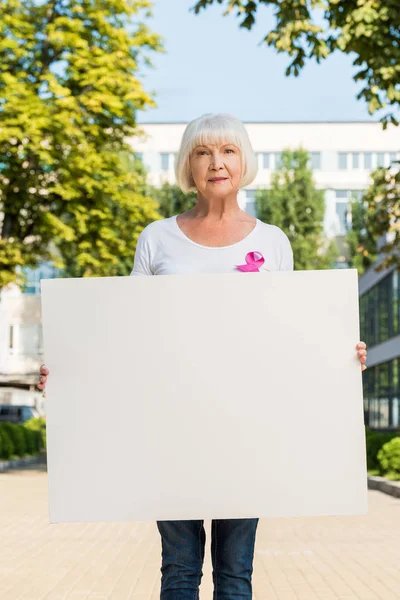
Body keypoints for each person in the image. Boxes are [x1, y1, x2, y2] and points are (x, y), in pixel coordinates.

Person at [37, 113, 368, 600]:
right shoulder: (156, 238)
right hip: (170, 427)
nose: (216, 162)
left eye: (228, 151)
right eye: (202, 152)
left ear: (244, 161)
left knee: (236, 575)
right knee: (179, 570)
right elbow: (128, 335)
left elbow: (286, 340)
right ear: (187, 165)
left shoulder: (272, 242)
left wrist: (336, 355)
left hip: (247, 429)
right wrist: (70, 367)